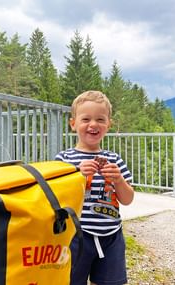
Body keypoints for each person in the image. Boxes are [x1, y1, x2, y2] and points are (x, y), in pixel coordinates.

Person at [55, 90, 134, 285]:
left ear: (108, 124)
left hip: (111, 235)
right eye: (86, 119)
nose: (93, 124)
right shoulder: (64, 160)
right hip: (76, 236)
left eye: (100, 119)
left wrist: (118, 181)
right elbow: (56, 198)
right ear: (73, 124)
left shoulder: (114, 160)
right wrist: (77, 176)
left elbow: (127, 199)